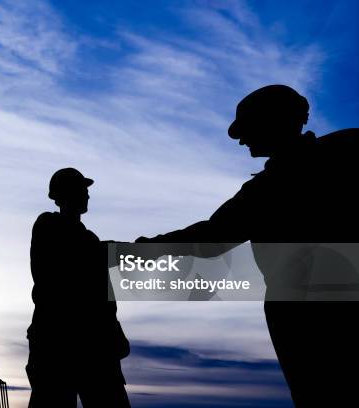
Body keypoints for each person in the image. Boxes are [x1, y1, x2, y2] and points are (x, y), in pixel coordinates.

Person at [137, 85, 358, 406]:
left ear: (272, 123)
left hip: (307, 316)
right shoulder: (346, 147)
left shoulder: (272, 187)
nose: (241, 140)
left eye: (248, 129)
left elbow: (212, 237)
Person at [27, 168, 131, 408]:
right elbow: (75, 262)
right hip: (58, 349)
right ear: (62, 195)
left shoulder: (89, 238)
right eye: (81, 190)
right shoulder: (48, 225)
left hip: (95, 349)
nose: (87, 196)